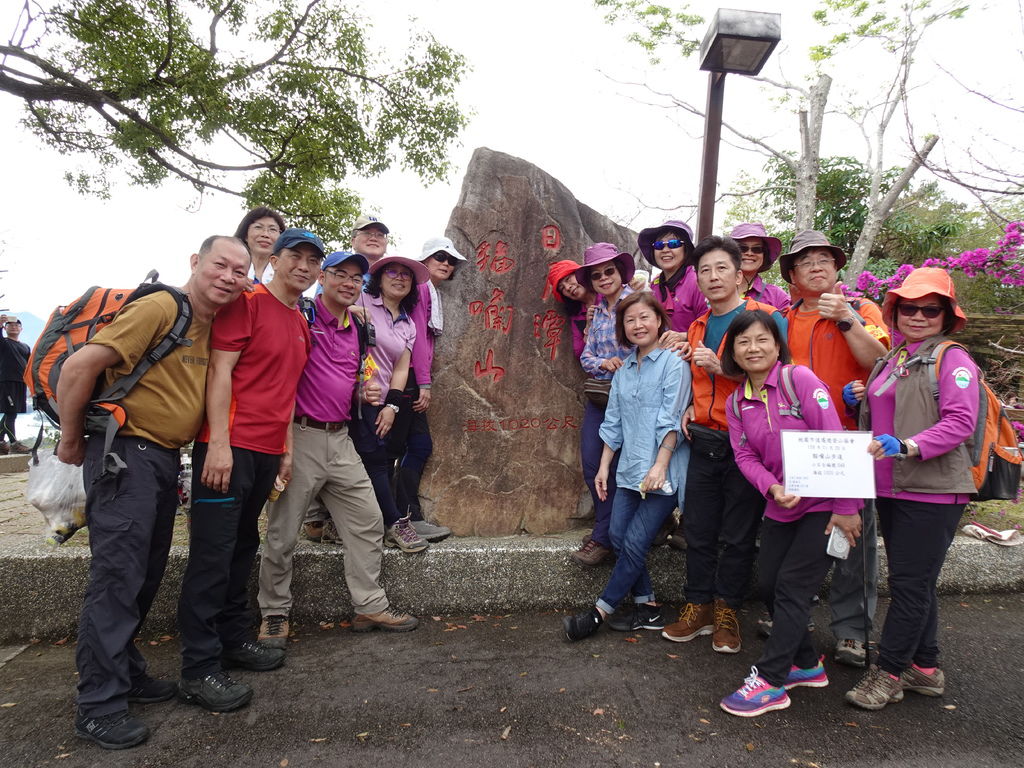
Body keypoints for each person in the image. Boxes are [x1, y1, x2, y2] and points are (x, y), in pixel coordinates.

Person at [54, 236, 250, 749]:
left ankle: (126, 672)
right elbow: (78, 367)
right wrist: (71, 440)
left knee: (144, 575)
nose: (229, 277)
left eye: (240, 270)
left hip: (162, 459)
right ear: (196, 262)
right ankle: (98, 706)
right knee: (118, 578)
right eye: (220, 265)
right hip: (124, 455)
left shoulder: (209, 324)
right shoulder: (163, 306)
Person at [177, 227, 325, 713]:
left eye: (313, 261)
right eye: (295, 256)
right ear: (275, 260)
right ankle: (198, 668)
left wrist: (285, 449)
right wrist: (218, 444)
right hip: (228, 448)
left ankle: (233, 640)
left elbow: (286, 390)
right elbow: (220, 371)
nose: (304, 267)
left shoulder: (300, 320)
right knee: (212, 554)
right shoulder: (249, 303)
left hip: (265, 451)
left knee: (243, 546)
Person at [256, 250, 419, 650]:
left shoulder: (358, 329)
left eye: (356, 279)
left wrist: (366, 392)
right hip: (300, 436)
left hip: (342, 438)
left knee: (367, 519)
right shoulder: (304, 316)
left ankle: (369, 605)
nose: (349, 283)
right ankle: (274, 613)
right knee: (282, 532)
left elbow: (354, 378)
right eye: (340, 275)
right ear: (323, 278)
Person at [845, 267, 979, 710]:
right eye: (909, 308)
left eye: (930, 309)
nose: (918, 316)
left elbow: (960, 423)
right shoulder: (895, 356)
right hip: (892, 487)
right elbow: (888, 410)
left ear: (947, 315)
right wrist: (857, 399)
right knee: (916, 583)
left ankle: (888, 673)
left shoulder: (952, 360)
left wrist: (908, 445)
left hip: (932, 491)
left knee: (908, 585)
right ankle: (925, 667)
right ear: (895, 312)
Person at [717, 310, 862, 717]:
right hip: (782, 505)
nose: (753, 348)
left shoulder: (799, 380)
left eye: (762, 339)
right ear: (733, 352)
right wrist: (771, 487)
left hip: (826, 506)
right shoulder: (736, 401)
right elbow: (744, 455)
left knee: (793, 588)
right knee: (768, 584)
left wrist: (846, 507)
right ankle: (807, 663)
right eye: (743, 341)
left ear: (777, 344)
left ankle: (771, 680)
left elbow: (834, 440)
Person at [661, 236, 786, 654]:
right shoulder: (697, 326)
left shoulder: (765, 318)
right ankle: (698, 605)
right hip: (704, 439)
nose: (713, 277)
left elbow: (782, 378)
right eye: (705, 271)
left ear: (739, 274)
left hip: (747, 445)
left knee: (738, 535)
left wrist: (725, 370)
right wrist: (690, 408)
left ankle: (727, 610)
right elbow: (699, 382)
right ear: (697, 279)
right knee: (698, 529)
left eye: (721, 268)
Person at [779, 230, 890, 667]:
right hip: (796, 443)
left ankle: (852, 631)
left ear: (837, 268)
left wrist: (846, 319)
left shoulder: (861, 309)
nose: (817, 267)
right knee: (797, 534)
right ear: (792, 276)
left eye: (824, 259)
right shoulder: (783, 319)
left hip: (849, 440)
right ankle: (794, 619)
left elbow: (880, 362)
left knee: (852, 538)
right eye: (806, 262)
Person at [563, 292, 691, 639]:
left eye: (644, 317)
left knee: (634, 541)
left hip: (662, 472)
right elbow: (614, 422)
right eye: (630, 320)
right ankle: (648, 606)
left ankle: (599, 612)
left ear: (659, 320)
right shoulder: (624, 370)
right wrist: (604, 467)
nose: (638, 325)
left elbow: (672, 419)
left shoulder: (674, 363)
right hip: (630, 469)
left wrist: (660, 466)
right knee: (618, 536)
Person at [389, 236, 467, 543]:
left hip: (411, 375)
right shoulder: (422, 289)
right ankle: (404, 517)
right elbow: (417, 338)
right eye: (440, 257)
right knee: (406, 447)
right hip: (407, 376)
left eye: (451, 260)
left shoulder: (428, 290)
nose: (446, 264)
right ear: (424, 261)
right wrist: (423, 382)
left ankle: (403, 515)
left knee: (414, 446)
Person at [351, 255, 431, 552]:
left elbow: (400, 369)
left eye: (405, 275)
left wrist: (392, 406)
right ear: (379, 279)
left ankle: (375, 522)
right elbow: (331, 313)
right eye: (392, 272)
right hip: (354, 396)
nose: (399, 278)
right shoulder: (362, 301)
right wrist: (350, 310)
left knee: (381, 457)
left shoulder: (408, 323)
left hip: (382, 399)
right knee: (373, 456)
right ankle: (395, 522)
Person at [573, 243, 636, 566]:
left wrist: (621, 363)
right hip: (600, 397)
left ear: (621, 272)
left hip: (631, 399)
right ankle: (605, 529)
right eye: (596, 275)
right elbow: (587, 356)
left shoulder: (636, 304)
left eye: (609, 271)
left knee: (618, 469)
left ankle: (604, 537)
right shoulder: (597, 312)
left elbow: (649, 345)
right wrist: (603, 362)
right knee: (591, 463)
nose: (604, 278)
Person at [729, 222, 790, 311]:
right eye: (742, 248)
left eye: (757, 249)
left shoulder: (777, 297)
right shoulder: (713, 287)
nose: (749, 253)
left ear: (764, 255)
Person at [547, 260, 598, 360]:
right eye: (562, 288)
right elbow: (579, 352)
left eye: (568, 279)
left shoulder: (606, 293)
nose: (568, 287)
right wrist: (588, 327)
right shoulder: (578, 316)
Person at [0, 315, 31, 454]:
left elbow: (30, 366)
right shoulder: (4, 343)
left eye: (17, 325)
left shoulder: (25, 347)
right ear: (5, 328)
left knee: (11, 413)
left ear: (21, 329)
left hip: (21, 382)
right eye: (10, 325)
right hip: (6, 381)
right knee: (11, 413)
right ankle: (14, 444)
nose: (14, 327)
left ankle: (0, 443)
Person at [233, 206, 286, 284]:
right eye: (258, 227)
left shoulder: (286, 273)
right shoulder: (231, 267)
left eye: (272, 229)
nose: (265, 234)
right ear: (245, 234)